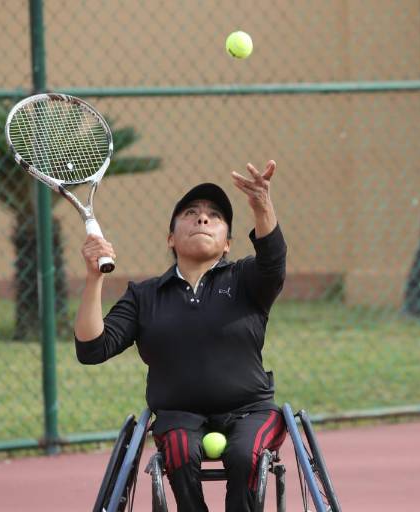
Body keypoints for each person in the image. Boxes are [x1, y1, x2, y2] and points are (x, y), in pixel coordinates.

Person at [75, 160, 287, 512]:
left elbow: (274, 260)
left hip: (251, 410)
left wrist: (263, 206)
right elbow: (92, 347)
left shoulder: (246, 280)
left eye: (214, 216)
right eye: (191, 213)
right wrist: (94, 277)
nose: (202, 218)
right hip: (178, 414)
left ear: (228, 244)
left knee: (244, 455)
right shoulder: (145, 295)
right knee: (177, 450)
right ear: (171, 238)